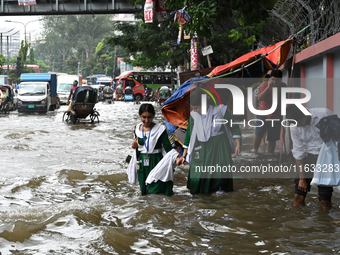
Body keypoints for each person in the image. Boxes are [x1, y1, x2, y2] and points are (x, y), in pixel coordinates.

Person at [177, 89, 242, 195]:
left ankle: (220, 188)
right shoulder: (194, 115)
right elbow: (189, 134)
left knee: (219, 168)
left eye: (197, 108)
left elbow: (234, 127)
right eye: (193, 108)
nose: (195, 110)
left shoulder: (221, 111)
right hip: (201, 146)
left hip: (219, 145)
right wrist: (184, 155)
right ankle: (202, 190)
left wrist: (238, 145)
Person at [286, 104, 334, 210]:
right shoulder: (294, 126)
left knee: (324, 201)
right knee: (298, 197)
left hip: (326, 159)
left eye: (299, 122)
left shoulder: (324, 114)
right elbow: (298, 152)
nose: (297, 126)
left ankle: (325, 223)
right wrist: (302, 178)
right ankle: (299, 223)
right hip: (309, 158)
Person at [131, 103, 177, 195]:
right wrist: (133, 146)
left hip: (156, 162)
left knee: (155, 190)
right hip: (142, 164)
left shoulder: (161, 129)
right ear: (140, 116)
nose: (147, 120)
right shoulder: (136, 129)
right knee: (144, 192)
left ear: (153, 116)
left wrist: (177, 158)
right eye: (144, 117)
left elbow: (168, 148)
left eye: (150, 117)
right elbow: (136, 147)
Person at [253, 70, 286, 153]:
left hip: (276, 115)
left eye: (277, 80)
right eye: (273, 79)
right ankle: (255, 150)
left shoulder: (283, 86)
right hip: (263, 113)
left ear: (280, 79)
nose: (274, 82)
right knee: (259, 134)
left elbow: (285, 100)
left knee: (272, 138)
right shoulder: (265, 85)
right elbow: (259, 98)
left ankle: (270, 155)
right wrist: (268, 87)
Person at [253, 74, 270, 150]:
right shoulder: (259, 87)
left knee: (266, 128)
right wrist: (256, 111)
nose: (265, 82)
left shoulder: (271, 87)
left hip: (269, 111)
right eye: (264, 80)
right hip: (261, 111)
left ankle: (263, 142)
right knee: (260, 130)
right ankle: (262, 142)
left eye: (267, 80)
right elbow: (256, 100)